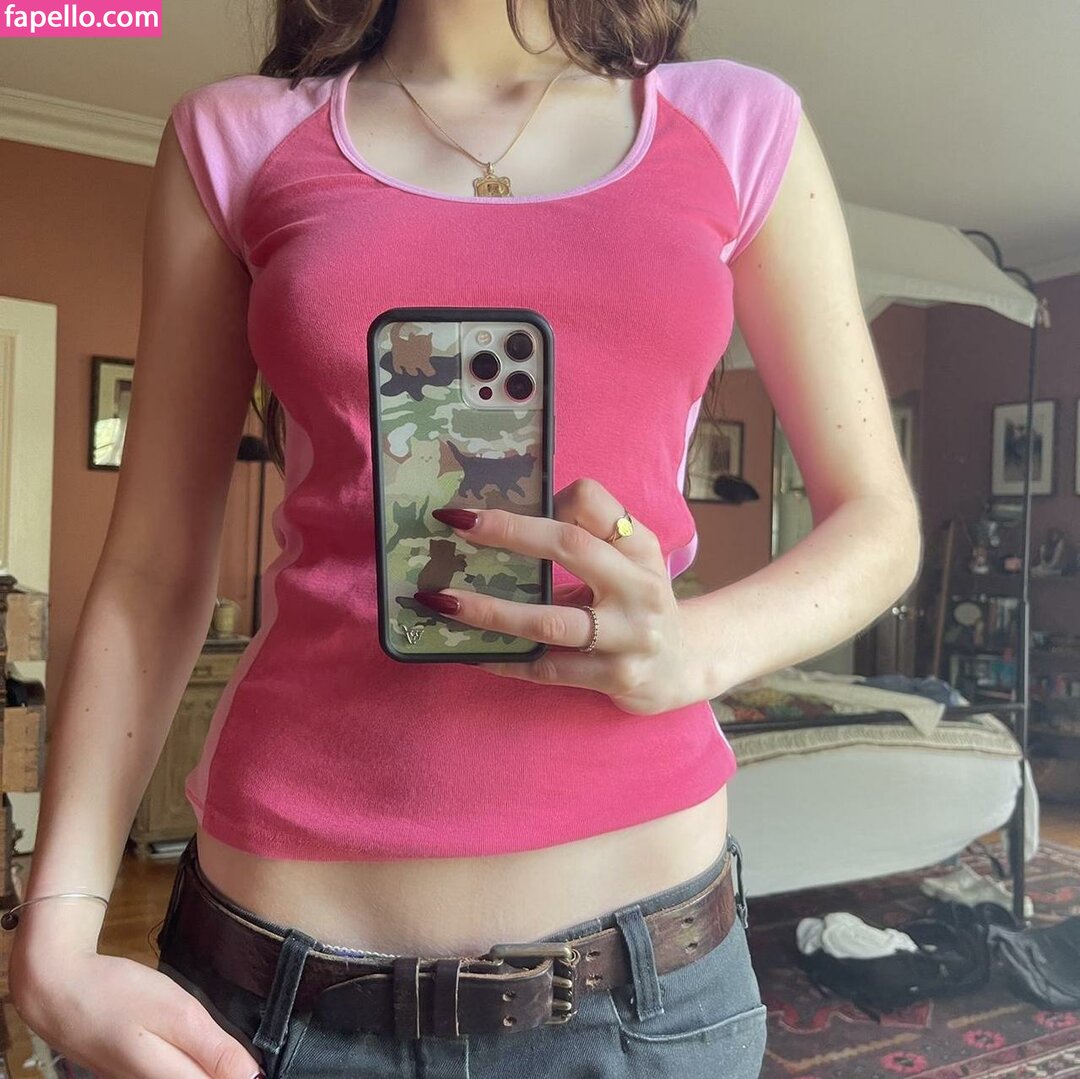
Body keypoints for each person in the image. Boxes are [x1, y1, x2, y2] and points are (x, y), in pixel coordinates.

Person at [8, 1, 923, 1076]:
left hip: (644, 999)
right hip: (272, 997)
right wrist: (57, 927)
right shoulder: (236, 136)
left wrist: (697, 647)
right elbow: (153, 569)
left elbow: (879, 520)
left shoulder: (736, 125)